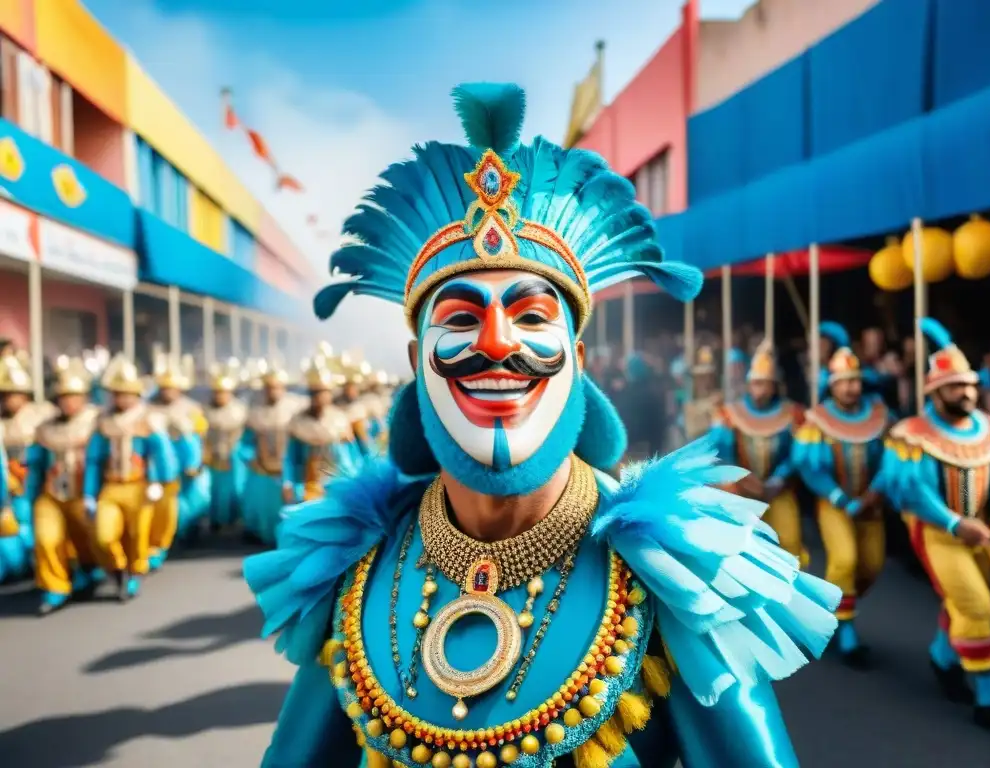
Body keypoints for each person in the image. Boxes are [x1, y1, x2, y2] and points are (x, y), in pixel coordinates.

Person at [244, 83, 839, 767]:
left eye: (531, 317)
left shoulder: (676, 573)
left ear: (578, 358)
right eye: (462, 318)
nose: (497, 343)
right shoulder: (357, 567)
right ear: (416, 362)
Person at [879, 318, 990, 734]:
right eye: (956, 386)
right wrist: (955, 523)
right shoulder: (913, 435)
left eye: (970, 384)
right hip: (937, 533)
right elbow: (912, 492)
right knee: (976, 607)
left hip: (982, 532)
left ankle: (943, 659)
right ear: (934, 390)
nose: (966, 392)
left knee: (963, 601)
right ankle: (989, 699)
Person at [793, 322, 891, 668]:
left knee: (871, 566)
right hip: (835, 504)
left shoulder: (879, 415)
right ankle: (845, 631)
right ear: (832, 386)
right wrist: (841, 499)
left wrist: (876, 492)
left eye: (855, 381)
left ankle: (833, 605)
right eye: (844, 382)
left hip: (871, 504)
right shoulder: (817, 420)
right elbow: (809, 467)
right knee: (845, 560)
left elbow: (893, 459)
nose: (851, 388)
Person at [84, 355, 176, 601]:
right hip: (112, 487)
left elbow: (161, 453)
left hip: (140, 486)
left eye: (126, 393)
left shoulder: (148, 419)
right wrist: (88, 494)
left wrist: (162, 481)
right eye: (116, 393)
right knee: (103, 534)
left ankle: (135, 573)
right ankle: (116, 568)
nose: (121, 398)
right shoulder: (103, 422)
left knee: (139, 535)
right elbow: (93, 461)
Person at [710, 340, 805, 564]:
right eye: (755, 383)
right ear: (748, 385)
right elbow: (721, 452)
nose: (759, 390)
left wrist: (779, 479)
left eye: (765, 384)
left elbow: (797, 454)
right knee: (740, 547)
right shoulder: (729, 414)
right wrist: (743, 478)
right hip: (740, 489)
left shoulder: (791, 413)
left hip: (778, 489)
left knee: (790, 544)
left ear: (774, 386)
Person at [27, 357, 104, 615]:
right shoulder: (44, 428)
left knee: (88, 539)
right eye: (63, 396)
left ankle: (90, 569)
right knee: (47, 538)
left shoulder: (98, 421)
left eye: (73, 396)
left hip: (85, 491)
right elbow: (35, 465)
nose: (68, 401)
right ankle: (55, 587)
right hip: (52, 493)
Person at [0, 355, 57, 583]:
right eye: (4, 395)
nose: (8, 401)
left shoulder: (42, 414)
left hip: (36, 478)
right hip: (10, 483)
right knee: (15, 522)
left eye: (13, 394)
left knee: (35, 520)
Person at [149, 353, 210, 558]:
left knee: (192, 500)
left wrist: (196, 461)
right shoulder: (148, 407)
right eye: (165, 388)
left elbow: (198, 437)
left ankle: (188, 530)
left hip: (186, 462)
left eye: (172, 388)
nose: (168, 392)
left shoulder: (191, 408)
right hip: (159, 464)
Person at [281, 360, 361, 510]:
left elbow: (351, 459)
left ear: (330, 394)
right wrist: (287, 483)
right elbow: (290, 458)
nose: (318, 397)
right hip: (306, 488)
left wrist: (354, 484)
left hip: (336, 487)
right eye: (314, 393)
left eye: (322, 392)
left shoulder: (340, 422)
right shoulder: (298, 424)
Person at [240, 362, 301, 545]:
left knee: (288, 506)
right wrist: (250, 457)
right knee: (263, 506)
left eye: (276, 387)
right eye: (269, 388)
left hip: (287, 467)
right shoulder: (255, 411)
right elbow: (245, 442)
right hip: (262, 468)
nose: (272, 391)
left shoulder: (294, 409)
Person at [205, 361, 248, 533]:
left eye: (223, 393)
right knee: (214, 491)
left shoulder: (239, 410)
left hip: (234, 458)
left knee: (235, 489)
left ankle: (234, 520)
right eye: (217, 393)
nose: (220, 396)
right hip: (212, 458)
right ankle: (215, 521)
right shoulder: (205, 410)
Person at [683, 346, 721, 439]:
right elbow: (692, 430)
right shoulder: (690, 404)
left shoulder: (720, 399)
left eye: (709, 376)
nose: (706, 381)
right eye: (701, 377)